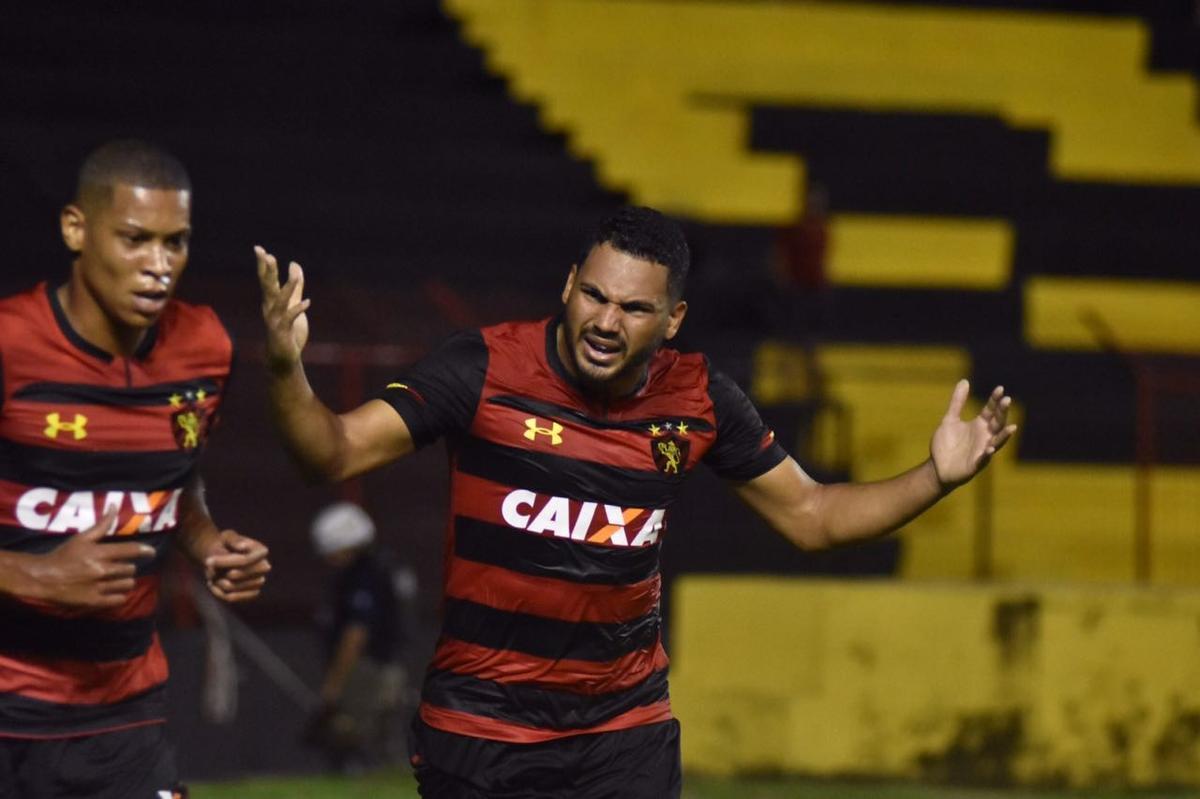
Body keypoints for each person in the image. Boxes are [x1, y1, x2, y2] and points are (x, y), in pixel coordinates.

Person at [255, 206, 1016, 798]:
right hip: (482, 731)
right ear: (568, 284)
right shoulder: (484, 368)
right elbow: (332, 451)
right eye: (593, 294)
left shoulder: (700, 397)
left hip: (624, 732)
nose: (605, 321)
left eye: (634, 308)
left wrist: (934, 476)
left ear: (673, 319)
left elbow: (812, 516)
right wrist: (289, 370)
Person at [0, 140, 271, 798]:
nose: (158, 266)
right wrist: (30, 572)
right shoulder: (11, 344)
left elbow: (176, 479)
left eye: (174, 243)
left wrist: (208, 542)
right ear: (76, 229)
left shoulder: (205, 346)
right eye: (134, 239)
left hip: (125, 715)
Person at [305, 501, 405, 773]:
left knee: (352, 735)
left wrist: (334, 685)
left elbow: (356, 633)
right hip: (382, 663)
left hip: (366, 668)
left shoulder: (363, 577)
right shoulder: (384, 567)